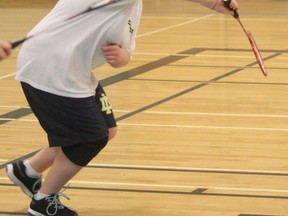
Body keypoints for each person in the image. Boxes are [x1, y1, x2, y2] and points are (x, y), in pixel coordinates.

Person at [5, 0, 238, 215]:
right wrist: (214, 2)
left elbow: (127, 51)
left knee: (106, 129)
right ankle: (43, 201)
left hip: (75, 71)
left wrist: (121, 56)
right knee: (91, 137)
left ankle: (28, 171)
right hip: (50, 69)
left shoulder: (133, 7)